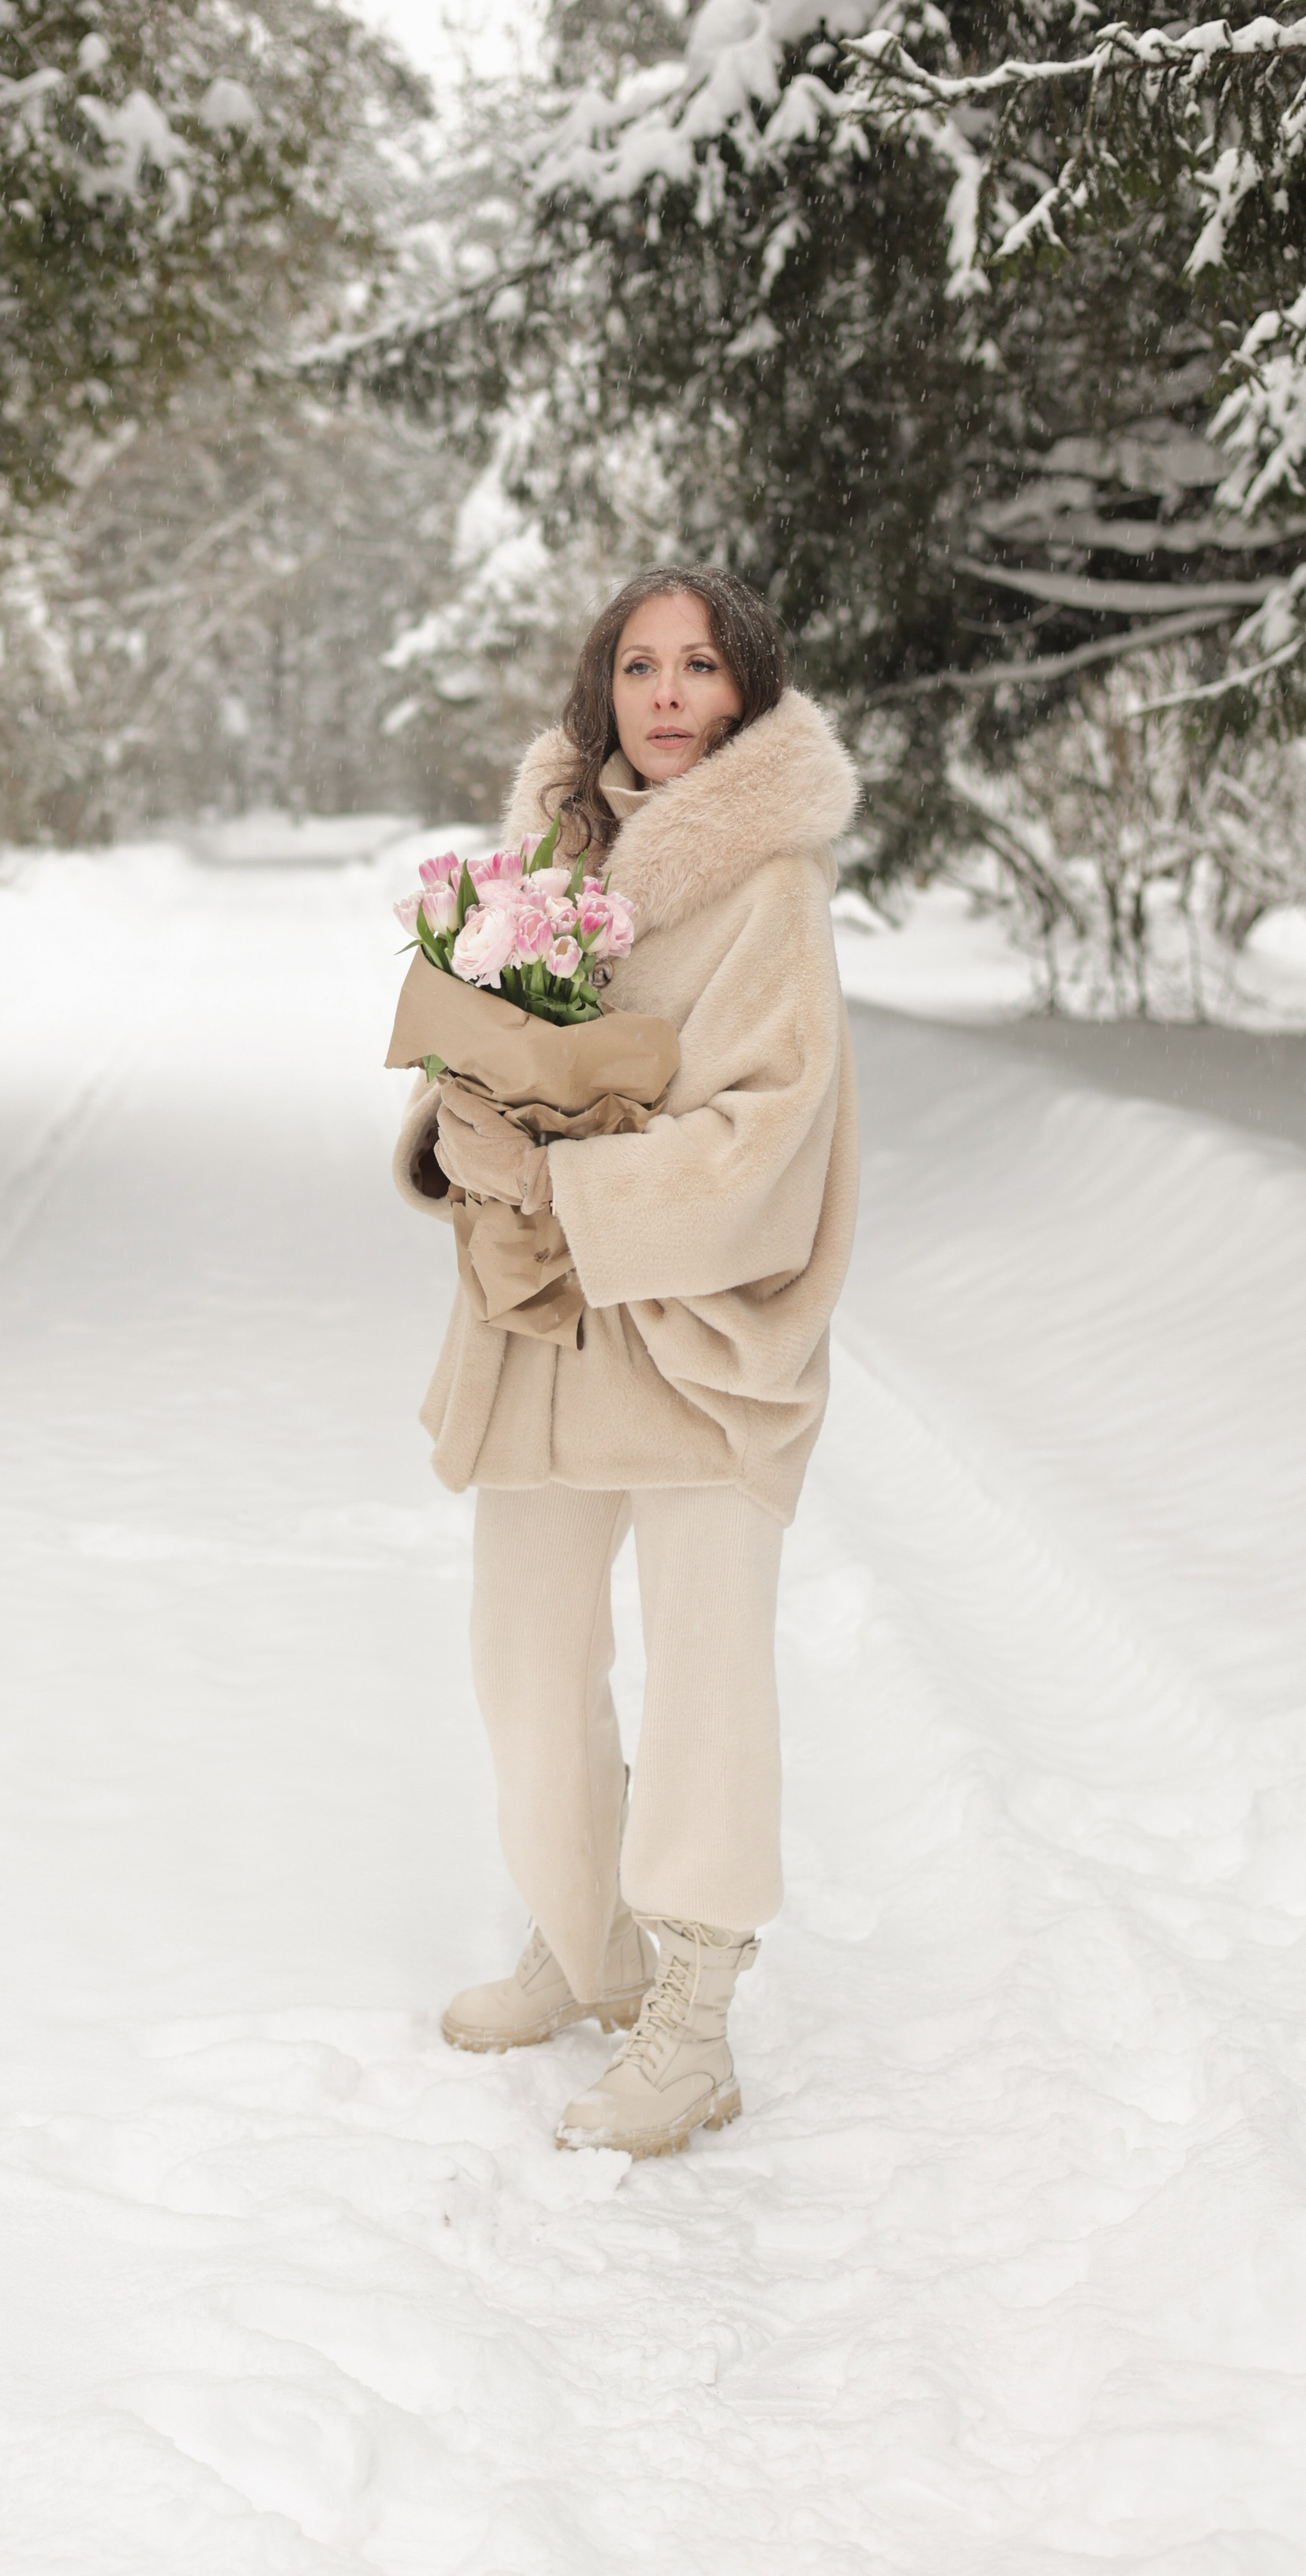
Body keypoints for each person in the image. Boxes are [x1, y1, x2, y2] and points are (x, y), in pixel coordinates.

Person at [392, 566, 859, 2160]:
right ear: (604, 685)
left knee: (706, 1676)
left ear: (742, 691)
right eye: (640, 664)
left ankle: (692, 2020)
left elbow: (766, 1132)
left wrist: (578, 1177)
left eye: (700, 665)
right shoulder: (543, 857)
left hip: (698, 1333)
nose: (667, 693)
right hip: (546, 1335)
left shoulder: (768, 889)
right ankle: (578, 1939)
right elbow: (484, 1046)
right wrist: (469, 1130)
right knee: (522, 1662)